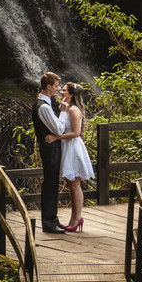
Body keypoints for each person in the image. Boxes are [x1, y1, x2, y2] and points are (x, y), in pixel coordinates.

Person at [45, 82, 95, 231]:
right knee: (71, 185)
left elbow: (75, 133)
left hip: (73, 148)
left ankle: (77, 219)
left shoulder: (73, 110)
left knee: (74, 185)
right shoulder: (66, 108)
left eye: (64, 90)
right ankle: (73, 219)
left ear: (71, 94)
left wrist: (56, 138)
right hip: (67, 147)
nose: (61, 91)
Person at [31, 71, 65, 233]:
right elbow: (58, 129)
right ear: (48, 86)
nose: (57, 89)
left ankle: (53, 219)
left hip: (51, 149)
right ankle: (49, 222)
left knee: (52, 183)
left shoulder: (45, 104)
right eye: (56, 86)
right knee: (50, 184)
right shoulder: (43, 107)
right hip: (50, 150)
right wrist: (64, 113)